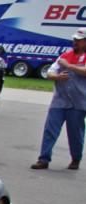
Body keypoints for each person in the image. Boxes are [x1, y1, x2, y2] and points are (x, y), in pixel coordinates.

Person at [31, 27, 86, 171]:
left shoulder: (73, 60)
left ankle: (76, 158)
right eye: (74, 40)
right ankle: (43, 159)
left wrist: (69, 67)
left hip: (79, 103)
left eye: (79, 40)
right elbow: (50, 72)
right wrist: (57, 77)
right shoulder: (65, 55)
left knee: (75, 133)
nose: (75, 42)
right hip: (59, 101)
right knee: (50, 130)